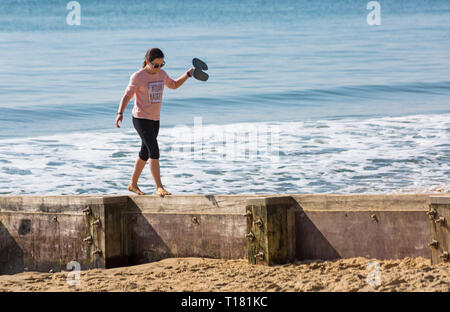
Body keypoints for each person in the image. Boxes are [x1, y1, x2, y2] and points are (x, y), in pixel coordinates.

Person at [115, 48, 194, 197]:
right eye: (155, 65)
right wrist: (120, 112)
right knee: (154, 151)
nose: (158, 68)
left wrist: (188, 75)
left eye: (161, 64)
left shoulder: (161, 74)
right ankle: (159, 187)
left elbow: (174, 84)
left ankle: (132, 184)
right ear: (147, 62)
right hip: (140, 118)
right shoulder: (138, 77)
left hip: (155, 119)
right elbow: (127, 96)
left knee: (144, 153)